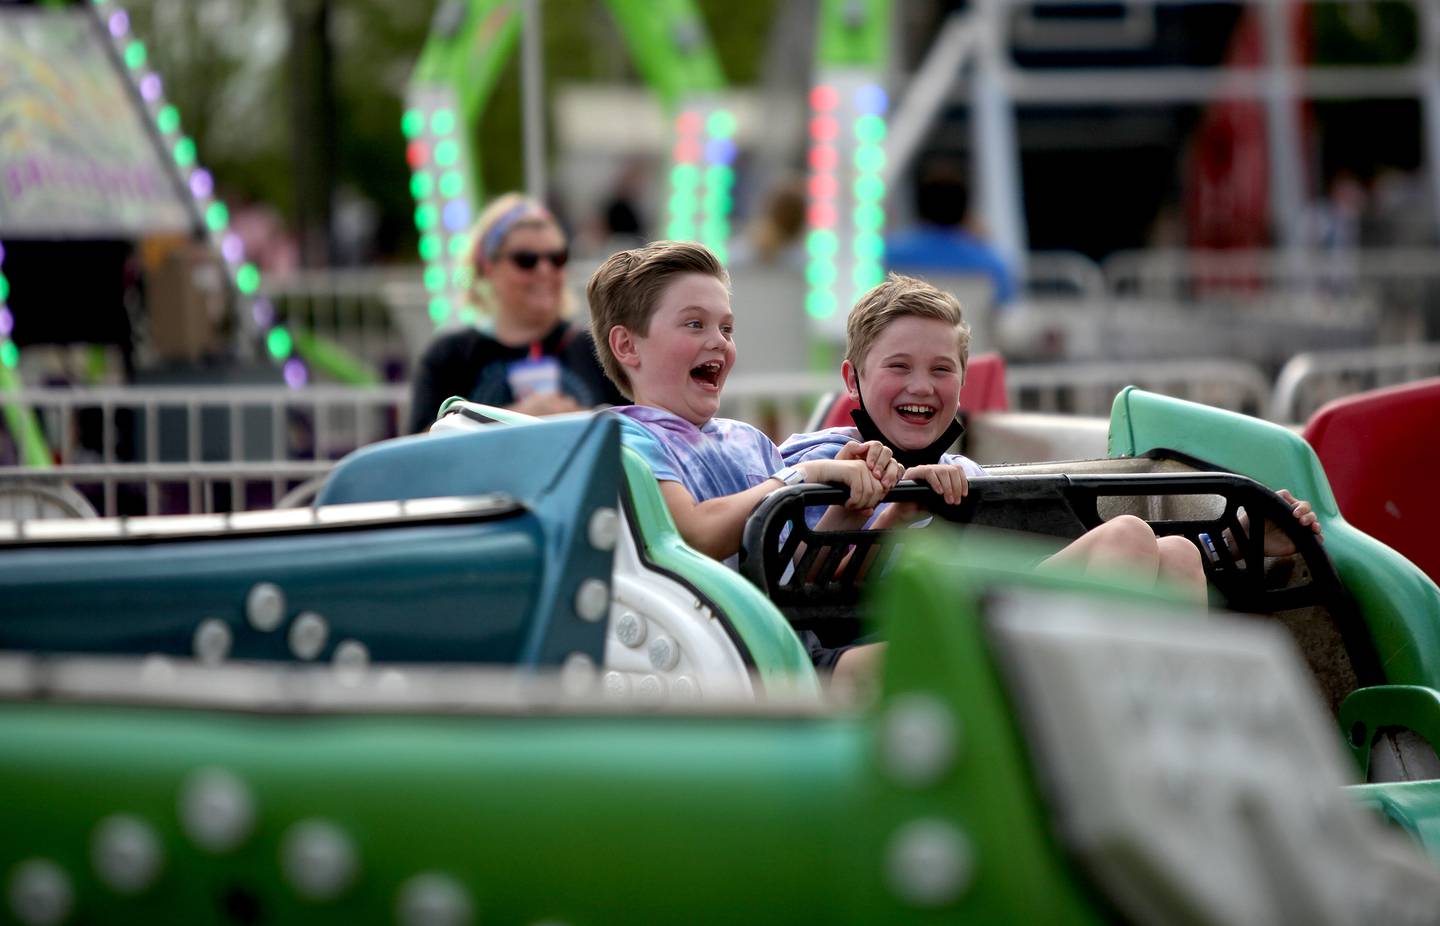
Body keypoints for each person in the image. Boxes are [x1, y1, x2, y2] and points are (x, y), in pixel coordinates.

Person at [779, 273, 1324, 599]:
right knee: (1125, 536)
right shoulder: (817, 463)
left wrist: (1235, 544)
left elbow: (1064, 557)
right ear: (853, 379)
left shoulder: (967, 478)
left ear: (964, 383)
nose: (921, 386)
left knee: (1176, 552)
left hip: (977, 621)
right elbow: (797, 601)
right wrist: (898, 508)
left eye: (942, 370)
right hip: (900, 647)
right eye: (899, 366)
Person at [586, 240, 899, 685]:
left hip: (791, 638)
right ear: (627, 346)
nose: (718, 341)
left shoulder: (749, 441)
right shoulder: (625, 436)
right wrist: (800, 477)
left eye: (726, 329)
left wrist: (847, 505)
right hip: (727, 655)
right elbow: (695, 533)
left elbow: (792, 574)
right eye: (695, 324)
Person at [408, 193, 625, 433]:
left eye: (557, 258)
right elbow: (420, 448)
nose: (544, 270)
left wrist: (582, 421)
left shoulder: (595, 348)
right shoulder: (450, 356)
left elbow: (638, 435)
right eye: (526, 260)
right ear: (488, 267)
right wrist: (520, 417)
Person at [885, 159, 1015, 306]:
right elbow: (1004, 304)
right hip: (967, 328)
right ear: (964, 210)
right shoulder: (991, 263)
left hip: (909, 329)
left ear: (921, 206)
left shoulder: (890, 253)